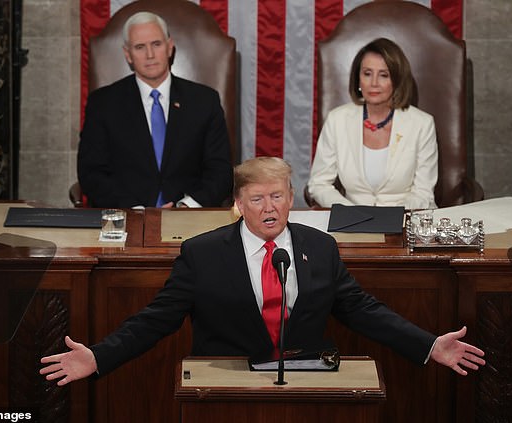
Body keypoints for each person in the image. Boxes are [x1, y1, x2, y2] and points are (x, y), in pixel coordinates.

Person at [40, 156, 484, 386]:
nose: (269, 208)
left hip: (308, 388)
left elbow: (364, 311)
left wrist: (428, 346)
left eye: (277, 196)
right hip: (228, 386)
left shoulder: (319, 248)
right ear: (239, 203)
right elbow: (155, 321)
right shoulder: (203, 254)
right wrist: (99, 356)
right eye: (257, 198)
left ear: (292, 198)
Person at [77, 11, 233, 208]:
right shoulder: (103, 103)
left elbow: (220, 170)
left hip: (189, 217)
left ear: (169, 47)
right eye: (140, 47)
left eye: (156, 44)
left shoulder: (204, 101)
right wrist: (134, 209)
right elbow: (91, 172)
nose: (149, 55)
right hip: (126, 216)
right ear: (128, 54)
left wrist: (187, 206)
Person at [307, 38, 438, 210]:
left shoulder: (422, 124)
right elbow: (318, 184)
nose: (374, 83)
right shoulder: (337, 119)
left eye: (384, 75)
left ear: (397, 80)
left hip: (406, 220)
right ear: (358, 79)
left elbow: (423, 193)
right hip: (352, 221)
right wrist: (351, 211)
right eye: (367, 73)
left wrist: (389, 217)